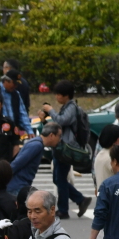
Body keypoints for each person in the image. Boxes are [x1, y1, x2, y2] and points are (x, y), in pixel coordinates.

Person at [39, 80, 91, 219]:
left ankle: (64, 210)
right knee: (58, 178)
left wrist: (50, 110)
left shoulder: (71, 108)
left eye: (58, 94)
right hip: (61, 148)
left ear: (65, 95)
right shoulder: (67, 107)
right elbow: (57, 125)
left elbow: (62, 121)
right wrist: (45, 120)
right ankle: (80, 200)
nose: (56, 97)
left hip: (66, 149)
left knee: (60, 178)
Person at [8, 122, 63, 196]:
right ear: (51, 135)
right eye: (59, 136)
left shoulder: (37, 143)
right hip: (17, 187)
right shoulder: (36, 145)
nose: (59, 140)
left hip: (19, 186)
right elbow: (17, 164)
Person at [93, 124, 119, 193]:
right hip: (112, 198)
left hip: (103, 197)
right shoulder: (111, 157)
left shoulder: (101, 154)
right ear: (117, 140)